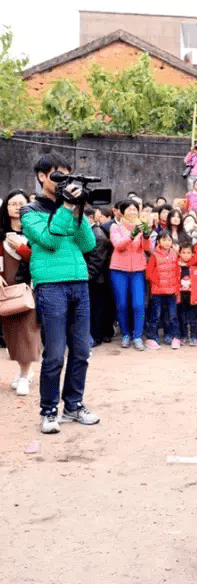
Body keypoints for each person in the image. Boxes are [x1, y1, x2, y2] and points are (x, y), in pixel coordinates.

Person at [21, 153, 99, 434]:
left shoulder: (71, 208)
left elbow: (88, 244)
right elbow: (49, 241)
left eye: (68, 175)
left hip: (79, 281)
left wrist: (78, 212)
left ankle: (74, 406)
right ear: (42, 176)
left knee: (81, 351)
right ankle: (49, 410)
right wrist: (66, 206)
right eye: (58, 176)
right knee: (54, 353)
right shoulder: (30, 210)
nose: (64, 181)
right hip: (51, 284)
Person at [0, 190, 40, 396]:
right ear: (5, 207)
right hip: (6, 289)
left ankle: (25, 375)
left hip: (29, 289)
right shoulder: (1, 233)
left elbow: (41, 259)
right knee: (11, 333)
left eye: (21, 203)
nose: (16, 207)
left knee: (27, 331)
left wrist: (23, 250)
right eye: (12, 203)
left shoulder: (35, 231)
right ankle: (24, 370)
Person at [109, 199, 152, 350]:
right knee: (122, 304)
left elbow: (147, 248)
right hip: (119, 269)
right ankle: (126, 334)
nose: (133, 212)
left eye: (135, 210)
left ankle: (138, 336)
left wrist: (146, 235)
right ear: (122, 212)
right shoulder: (116, 227)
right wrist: (132, 235)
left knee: (139, 304)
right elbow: (119, 246)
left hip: (138, 269)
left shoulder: (141, 225)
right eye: (130, 210)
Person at [145, 231, 181, 350]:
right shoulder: (154, 255)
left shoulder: (174, 255)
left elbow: (177, 272)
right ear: (159, 241)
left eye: (169, 240)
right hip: (157, 291)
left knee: (173, 316)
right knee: (155, 315)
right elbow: (149, 273)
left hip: (171, 291)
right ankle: (152, 338)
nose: (167, 242)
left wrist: (176, 288)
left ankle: (175, 337)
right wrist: (159, 282)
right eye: (164, 240)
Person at [83, 205, 112, 347]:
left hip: (95, 279)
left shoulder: (97, 235)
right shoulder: (90, 232)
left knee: (96, 309)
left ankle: (96, 336)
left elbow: (97, 261)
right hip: (91, 277)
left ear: (89, 218)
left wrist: (86, 277)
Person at [176, 241, 197, 346]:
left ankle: (194, 337)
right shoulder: (177, 267)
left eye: (188, 253)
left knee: (193, 319)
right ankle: (183, 336)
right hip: (181, 296)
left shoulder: (195, 267)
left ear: (192, 254)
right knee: (182, 318)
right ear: (179, 254)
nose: (186, 255)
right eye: (183, 252)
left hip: (193, 296)